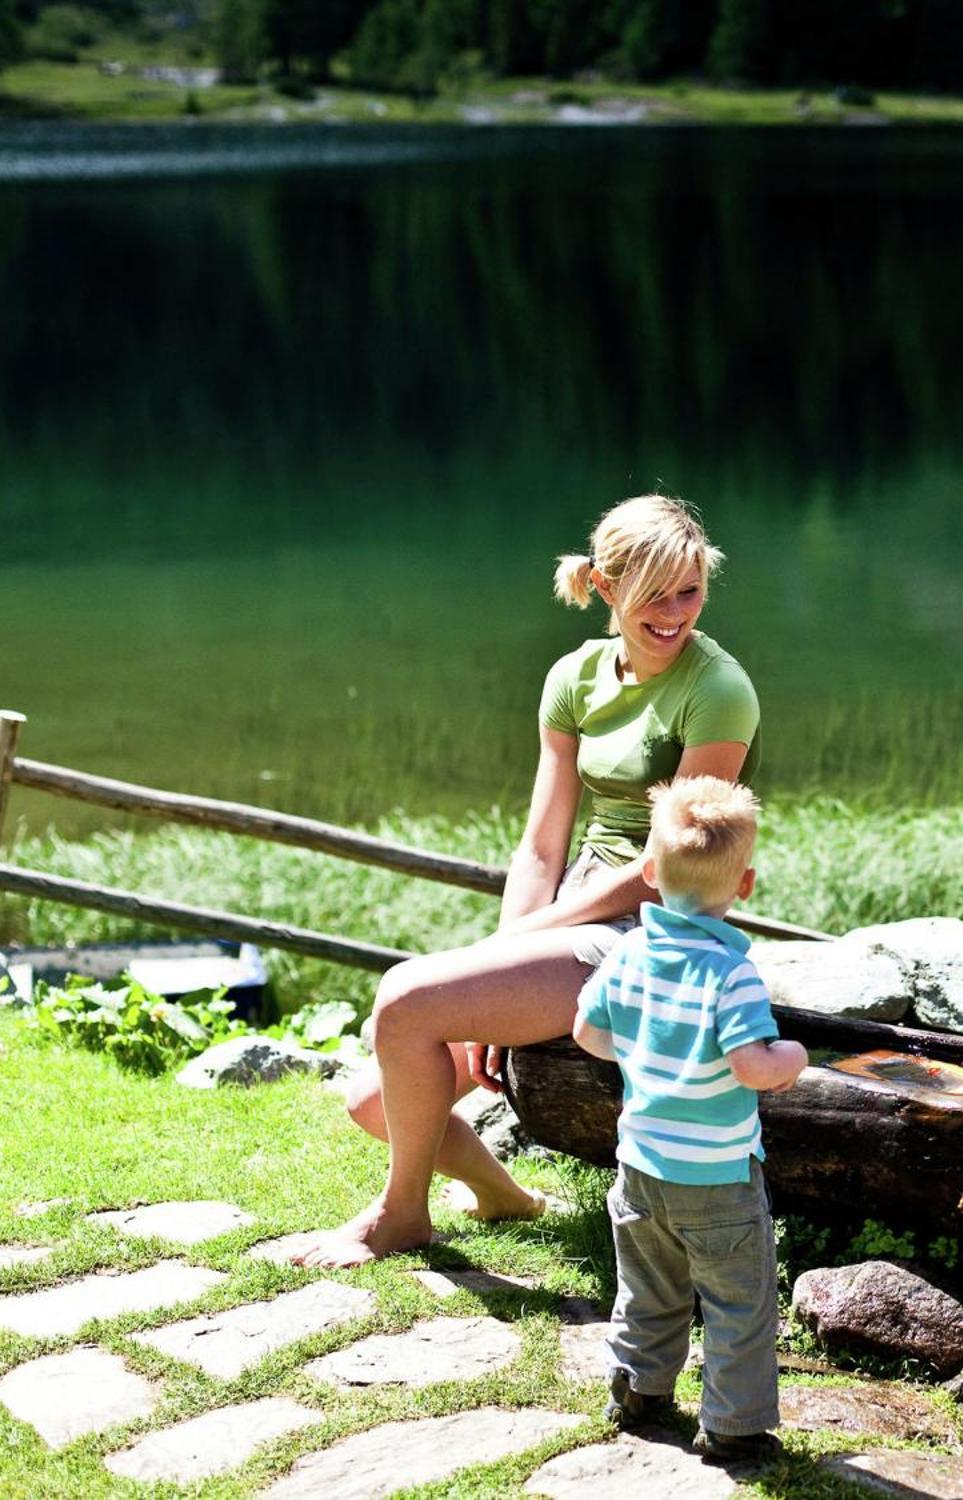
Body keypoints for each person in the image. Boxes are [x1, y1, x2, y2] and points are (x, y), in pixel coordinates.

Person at [297, 493, 760, 1268]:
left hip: (656, 928)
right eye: (654, 593)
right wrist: (507, 943)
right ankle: (504, 1196)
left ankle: (399, 1216)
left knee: (406, 997)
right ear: (608, 588)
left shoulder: (718, 691)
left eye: (690, 590)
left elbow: (664, 872)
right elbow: (542, 846)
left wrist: (524, 941)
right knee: (371, 1099)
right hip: (578, 904)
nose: (674, 613)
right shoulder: (574, 677)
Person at [573, 776, 806, 1463]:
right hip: (718, 1178)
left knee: (649, 1286)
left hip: (640, 1167)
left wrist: (642, 1054)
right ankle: (733, 1428)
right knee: (738, 1303)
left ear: (649, 873)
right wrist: (789, 1056)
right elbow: (750, 1066)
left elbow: (586, 1031)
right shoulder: (732, 974)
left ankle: (638, 1390)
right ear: (747, 884)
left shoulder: (628, 954)